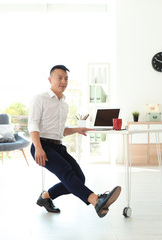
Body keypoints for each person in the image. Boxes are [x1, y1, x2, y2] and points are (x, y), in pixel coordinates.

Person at [28, 64, 121, 218]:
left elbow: (60, 130)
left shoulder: (63, 104)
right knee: (67, 173)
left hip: (57, 146)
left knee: (80, 178)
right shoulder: (39, 99)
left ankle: (45, 197)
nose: (63, 81)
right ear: (50, 79)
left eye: (66, 78)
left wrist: (77, 130)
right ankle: (96, 201)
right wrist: (38, 147)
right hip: (42, 145)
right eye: (59, 78)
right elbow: (33, 124)